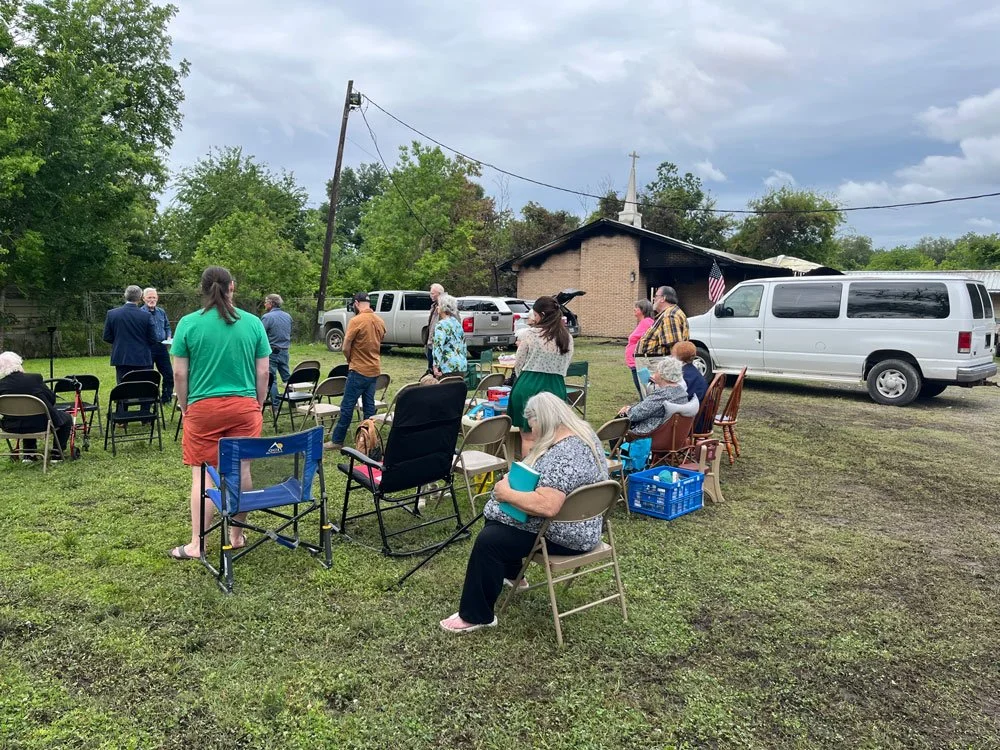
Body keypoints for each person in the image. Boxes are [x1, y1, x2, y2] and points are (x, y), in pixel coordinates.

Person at [440, 392, 609, 634]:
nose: (532, 433)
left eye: (533, 427)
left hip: (567, 535)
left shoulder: (564, 454)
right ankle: (513, 574)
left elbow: (548, 506)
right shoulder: (584, 434)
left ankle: (476, 615)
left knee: (490, 539)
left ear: (544, 420)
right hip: (587, 525)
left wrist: (506, 494)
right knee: (496, 517)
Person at [167, 266, 271, 561]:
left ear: (202, 289)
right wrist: (258, 403)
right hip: (245, 406)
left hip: (202, 409)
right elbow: (263, 371)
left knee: (203, 474)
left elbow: (178, 373)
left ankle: (197, 545)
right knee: (243, 470)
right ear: (232, 287)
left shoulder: (188, 323)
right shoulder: (253, 323)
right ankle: (236, 536)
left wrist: (185, 406)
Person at [507, 296, 573, 455]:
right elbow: (566, 364)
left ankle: (528, 475)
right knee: (553, 437)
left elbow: (519, 363)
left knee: (529, 438)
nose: (534, 319)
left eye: (535, 315)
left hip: (528, 385)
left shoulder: (530, 334)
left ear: (541, 315)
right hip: (556, 386)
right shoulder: (567, 338)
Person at [327, 292, 387, 451]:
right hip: (374, 369)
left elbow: (345, 346)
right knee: (369, 406)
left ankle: (337, 440)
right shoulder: (380, 321)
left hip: (358, 369)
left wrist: (349, 359)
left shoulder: (356, 320)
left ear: (355, 303)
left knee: (347, 406)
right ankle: (368, 437)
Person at [0, 351, 72, 461]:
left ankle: (29, 455)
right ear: (19, 363)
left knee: (25, 416)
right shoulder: (34, 379)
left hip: (11, 426)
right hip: (41, 424)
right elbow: (51, 399)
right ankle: (57, 454)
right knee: (66, 418)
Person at [617, 356, 699, 435]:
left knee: (619, 420)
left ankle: (617, 448)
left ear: (661, 374)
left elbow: (635, 414)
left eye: (656, 371)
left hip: (650, 436)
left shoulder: (661, 395)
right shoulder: (681, 392)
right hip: (670, 436)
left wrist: (627, 410)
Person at [103, 285, 158, 383]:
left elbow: (107, 337)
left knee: (123, 387)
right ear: (141, 297)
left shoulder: (112, 314)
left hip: (121, 357)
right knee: (142, 386)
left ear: (125, 295)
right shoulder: (146, 316)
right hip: (142, 357)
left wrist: (120, 342)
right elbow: (153, 338)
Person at [635, 285, 689, 370]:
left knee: (655, 384)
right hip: (654, 362)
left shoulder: (669, 315)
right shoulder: (671, 313)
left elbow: (674, 345)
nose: (653, 299)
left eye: (656, 296)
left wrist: (671, 371)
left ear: (663, 298)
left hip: (655, 364)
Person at [143, 287, 174, 405]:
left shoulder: (161, 312)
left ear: (157, 298)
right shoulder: (141, 313)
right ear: (144, 298)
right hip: (148, 348)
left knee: (169, 374)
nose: (152, 299)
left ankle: (166, 399)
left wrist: (169, 337)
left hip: (162, 347)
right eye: (149, 297)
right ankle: (149, 400)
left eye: (154, 297)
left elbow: (167, 326)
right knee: (149, 376)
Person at [261, 293, 293, 410]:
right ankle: (293, 400)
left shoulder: (267, 318)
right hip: (285, 351)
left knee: (272, 379)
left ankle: (275, 405)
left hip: (272, 352)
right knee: (287, 377)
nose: (264, 304)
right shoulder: (288, 316)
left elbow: (261, 335)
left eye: (266, 302)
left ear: (271, 303)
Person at [432, 293, 468, 377]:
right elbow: (463, 345)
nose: (437, 307)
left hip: (447, 366)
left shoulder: (441, 325)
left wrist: (435, 366)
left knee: (445, 389)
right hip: (461, 365)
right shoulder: (457, 323)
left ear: (443, 308)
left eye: (439, 305)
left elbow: (438, 346)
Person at [626, 299, 656, 399]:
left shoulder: (646, 323)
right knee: (642, 389)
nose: (634, 309)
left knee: (643, 390)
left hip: (640, 363)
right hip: (635, 362)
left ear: (643, 310)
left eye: (637, 307)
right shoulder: (643, 322)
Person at [424, 283, 444, 374]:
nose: (430, 295)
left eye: (433, 293)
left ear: (439, 294)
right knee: (430, 367)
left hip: (437, 344)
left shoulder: (444, 307)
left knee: (436, 370)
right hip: (431, 343)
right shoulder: (434, 306)